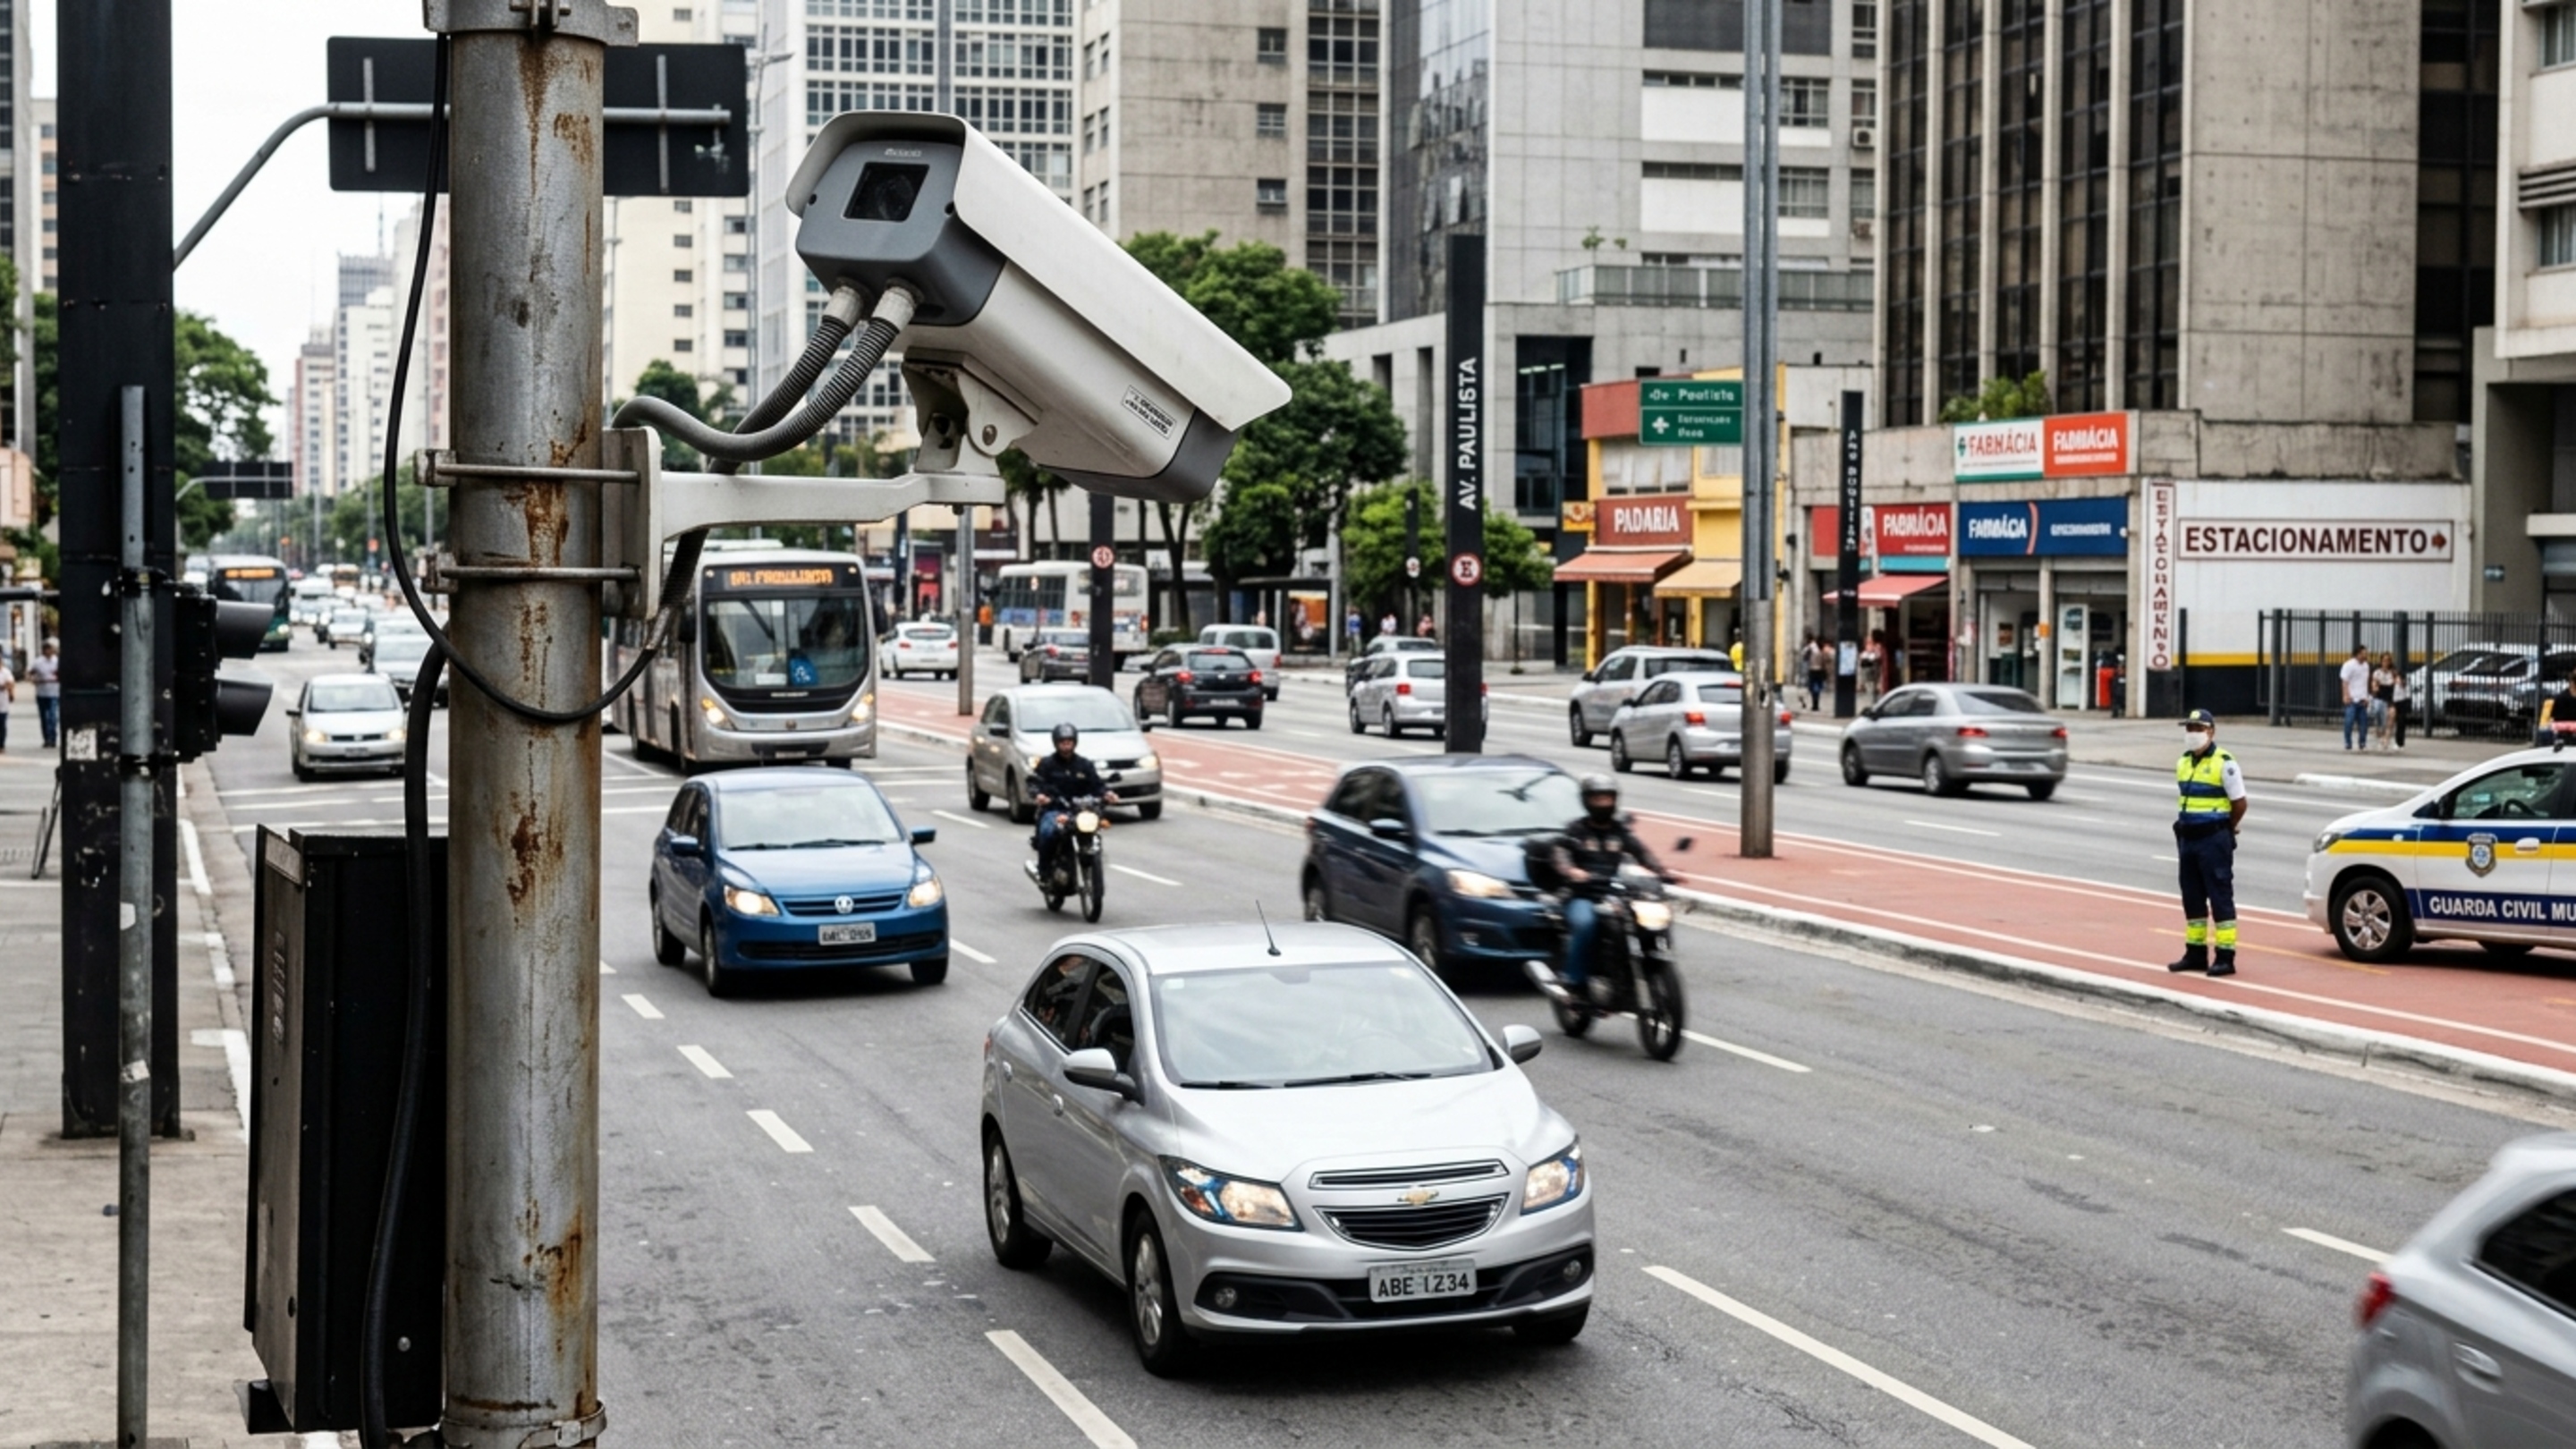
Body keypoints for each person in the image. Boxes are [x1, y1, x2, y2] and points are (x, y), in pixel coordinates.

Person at [1544, 775, 1679, 1004]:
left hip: (1613, 894)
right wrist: (1572, 871)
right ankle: (1573, 981)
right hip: (1582, 895)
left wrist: (1662, 872)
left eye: (1608, 798)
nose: (1604, 803)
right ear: (1587, 801)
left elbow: (1642, 854)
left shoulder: (1620, 832)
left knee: (1642, 921)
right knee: (1586, 924)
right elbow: (1560, 853)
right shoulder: (1576, 830)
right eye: (1598, 798)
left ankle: (1635, 966)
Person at [2167, 708, 2248, 979]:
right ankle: (2195, 953)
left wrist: (2225, 829)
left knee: (2220, 896)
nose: (2192, 734)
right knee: (2192, 897)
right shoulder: (2183, 762)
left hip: (2213, 838)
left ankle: (2225, 957)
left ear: (2211, 731)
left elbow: (2240, 803)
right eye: (2189, 729)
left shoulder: (2225, 763)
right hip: (2188, 838)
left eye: (2198, 729)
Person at [1026, 722, 1115, 875]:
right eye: (1063, 743)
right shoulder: (1047, 764)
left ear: (1075, 743)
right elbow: (1034, 782)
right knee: (1048, 832)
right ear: (1056, 743)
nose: (1066, 746)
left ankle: (1091, 858)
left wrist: (1107, 794)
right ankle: (1044, 871)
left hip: (1081, 810)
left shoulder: (1084, 764)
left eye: (1069, 742)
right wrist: (1040, 795)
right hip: (1055, 809)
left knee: (1095, 828)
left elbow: (1097, 784)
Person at [26, 638, 59, 750]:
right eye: (47, 649)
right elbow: (29, 673)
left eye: (51, 649)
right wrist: (32, 679)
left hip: (54, 692)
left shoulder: (57, 661)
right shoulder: (38, 662)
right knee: (44, 717)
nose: (49, 651)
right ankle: (46, 738)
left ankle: (53, 738)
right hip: (42, 692)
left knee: (52, 716)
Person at [2338, 644, 2372, 750]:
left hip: (2362, 698)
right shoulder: (2349, 665)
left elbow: (2365, 682)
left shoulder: (2366, 666)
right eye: (2363, 654)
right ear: (2358, 654)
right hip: (2352, 698)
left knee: (2363, 724)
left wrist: (2366, 697)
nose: (2365, 655)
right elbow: (2345, 682)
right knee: (2349, 721)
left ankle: (2362, 742)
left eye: (2366, 653)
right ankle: (2348, 742)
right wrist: (2345, 695)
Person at [2369, 653, 2397, 751]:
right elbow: (2374, 685)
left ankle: (2387, 739)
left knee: (2391, 716)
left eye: (2388, 660)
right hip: (2380, 697)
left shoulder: (2393, 673)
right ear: (2381, 661)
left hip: (2390, 698)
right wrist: (2375, 687)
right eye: (2384, 660)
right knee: (2380, 718)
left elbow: (2397, 684)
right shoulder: (2377, 673)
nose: (2386, 662)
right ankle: (2380, 736)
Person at [1801, 636, 1826, 712]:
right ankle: (1816, 704)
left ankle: (1815, 704)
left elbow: (1804, 656)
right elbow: (1824, 662)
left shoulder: (1811, 649)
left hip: (1813, 670)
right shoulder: (1821, 650)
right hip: (1820, 671)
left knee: (1813, 688)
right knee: (1818, 688)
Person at [0, 648, 14, 752]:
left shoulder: (5, 672)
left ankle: (1, 744)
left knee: (2, 725)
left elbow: (10, 684)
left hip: (2, 703)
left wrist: (11, 694)